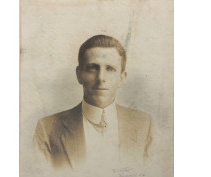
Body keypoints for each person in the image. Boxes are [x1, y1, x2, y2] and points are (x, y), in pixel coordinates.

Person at [34, 35, 152, 170]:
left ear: (121, 78)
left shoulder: (145, 124)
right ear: (79, 75)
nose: (101, 78)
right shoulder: (47, 128)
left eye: (110, 69)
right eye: (93, 68)